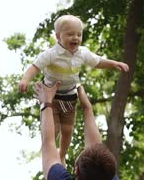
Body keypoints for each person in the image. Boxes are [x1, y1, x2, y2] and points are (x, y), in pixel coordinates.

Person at [19, 15, 129, 166]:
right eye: (70, 34)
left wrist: (113, 63)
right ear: (58, 36)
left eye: (79, 34)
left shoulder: (82, 53)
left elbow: (97, 62)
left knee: (68, 129)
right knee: (55, 127)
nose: (75, 38)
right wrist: (26, 79)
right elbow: (35, 67)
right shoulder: (51, 54)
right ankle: (49, 152)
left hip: (70, 96)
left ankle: (62, 155)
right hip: (51, 97)